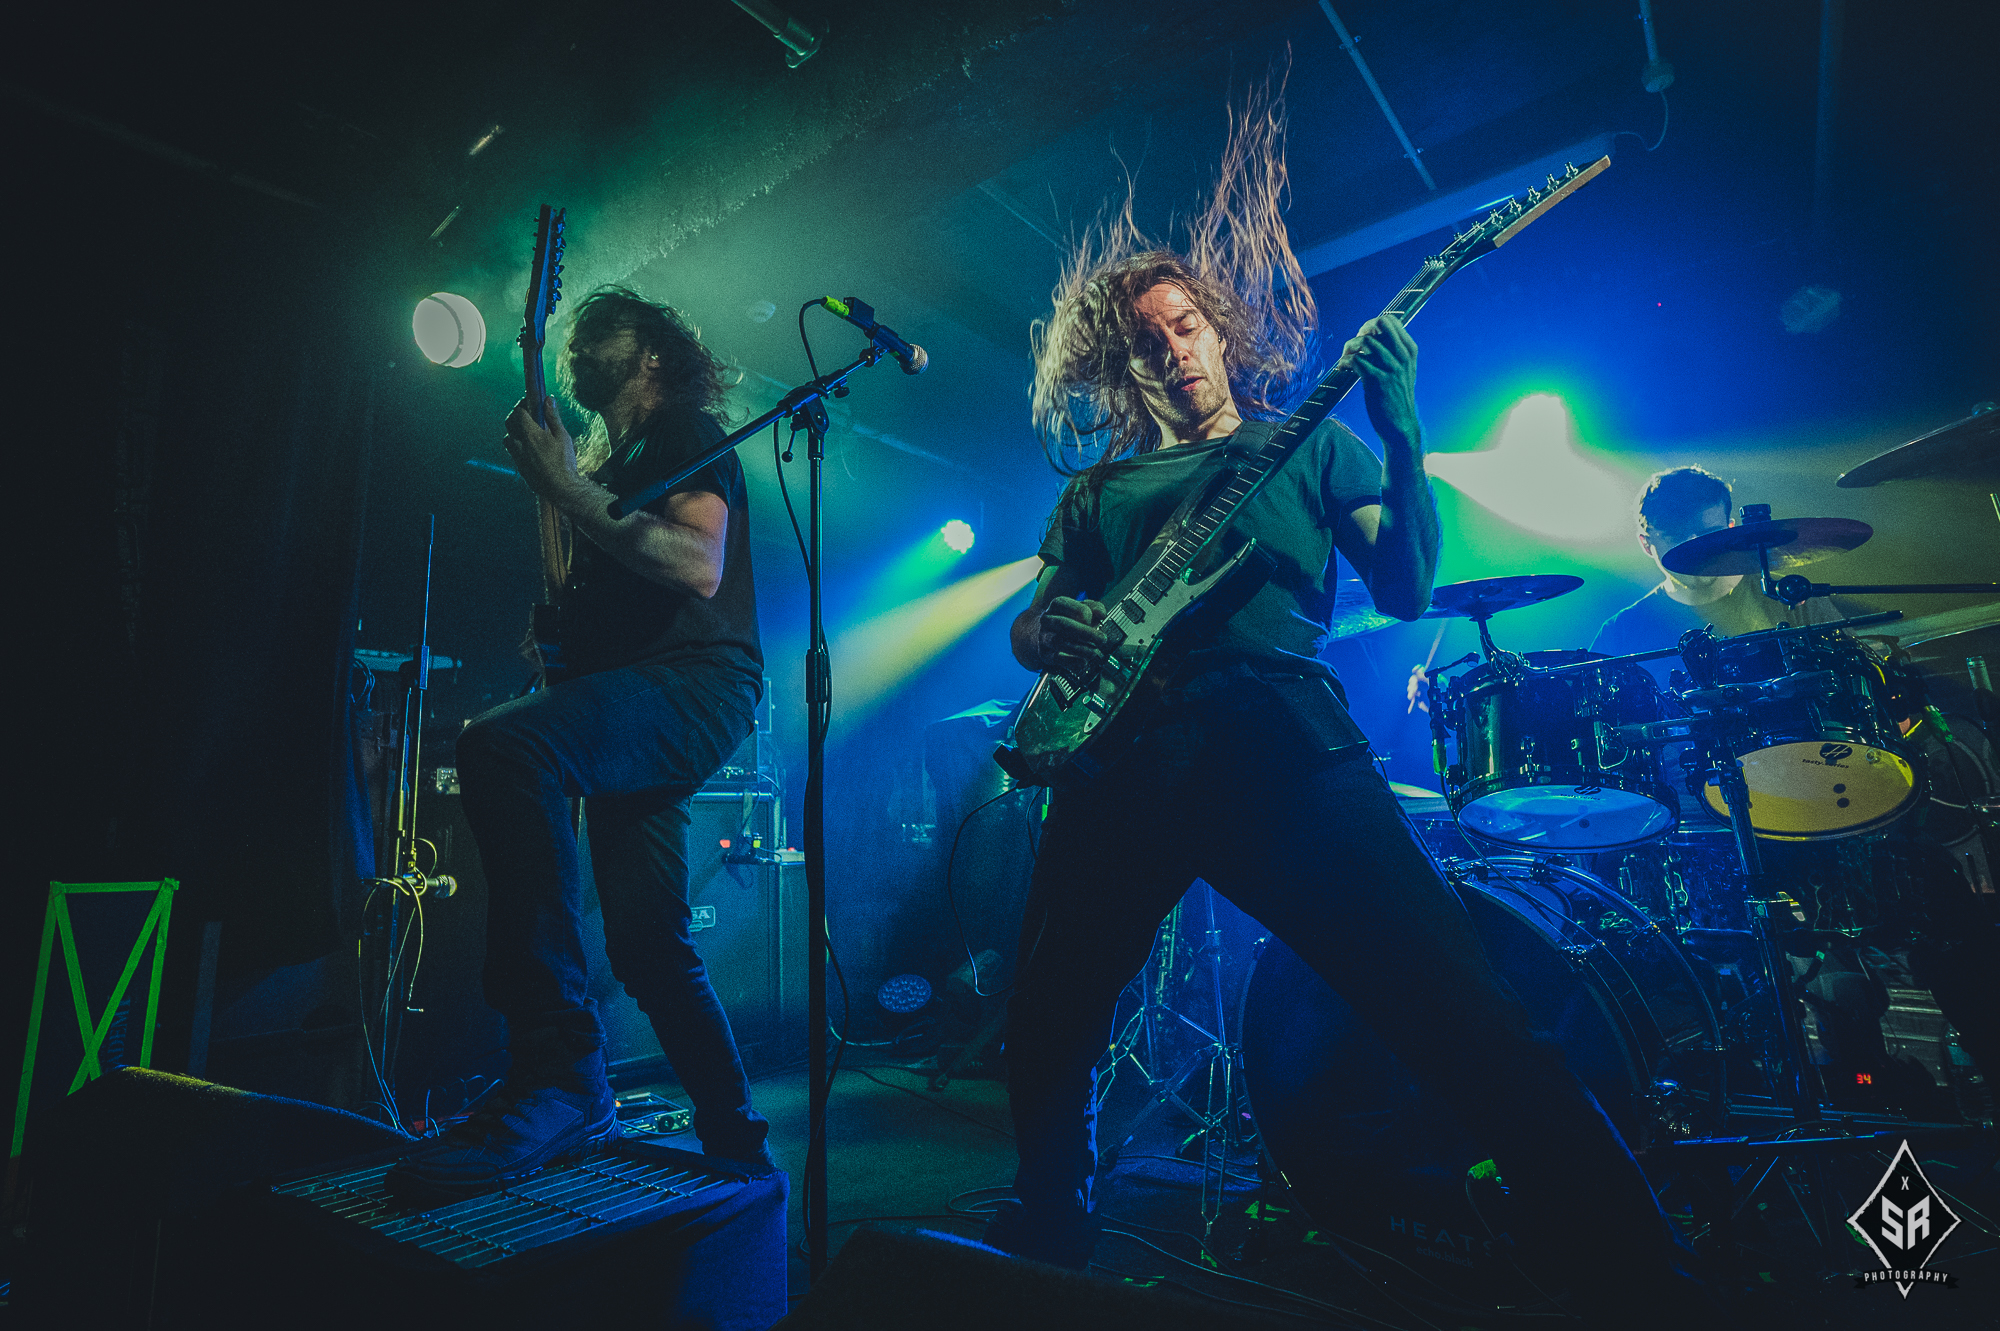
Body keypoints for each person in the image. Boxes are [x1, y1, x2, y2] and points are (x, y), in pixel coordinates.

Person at [984, 84, 1714, 1325]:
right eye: (1146, 342)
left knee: (1458, 1008)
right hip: (1124, 757)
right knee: (1049, 1012)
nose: (1172, 350)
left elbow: (1405, 584)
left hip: (1279, 745)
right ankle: (1052, 1218)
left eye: (1184, 326)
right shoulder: (1097, 492)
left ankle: (1635, 1266)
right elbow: (1032, 623)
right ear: (1120, 365)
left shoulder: (1312, 445)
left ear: (1216, 332)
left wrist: (1404, 429)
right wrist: (1045, 629)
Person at [390, 286, 773, 1197]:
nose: (578, 343)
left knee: (503, 747)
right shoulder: (612, 460)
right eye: (576, 331)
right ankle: (738, 1144)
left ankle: (561, 1067)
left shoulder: (681, 431)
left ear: (653, 353)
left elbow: (699, 562)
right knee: (647, 944)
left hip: (695, 683)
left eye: (604, 330)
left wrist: (565, 486)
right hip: (632, 694)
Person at [1592, 465, 1846, 659]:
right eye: (1677, 538)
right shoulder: (1619, 633)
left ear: (1730, 530)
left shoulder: (1797, 599)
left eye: (1709, 535)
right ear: (1646, 544)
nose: (1696, 550)